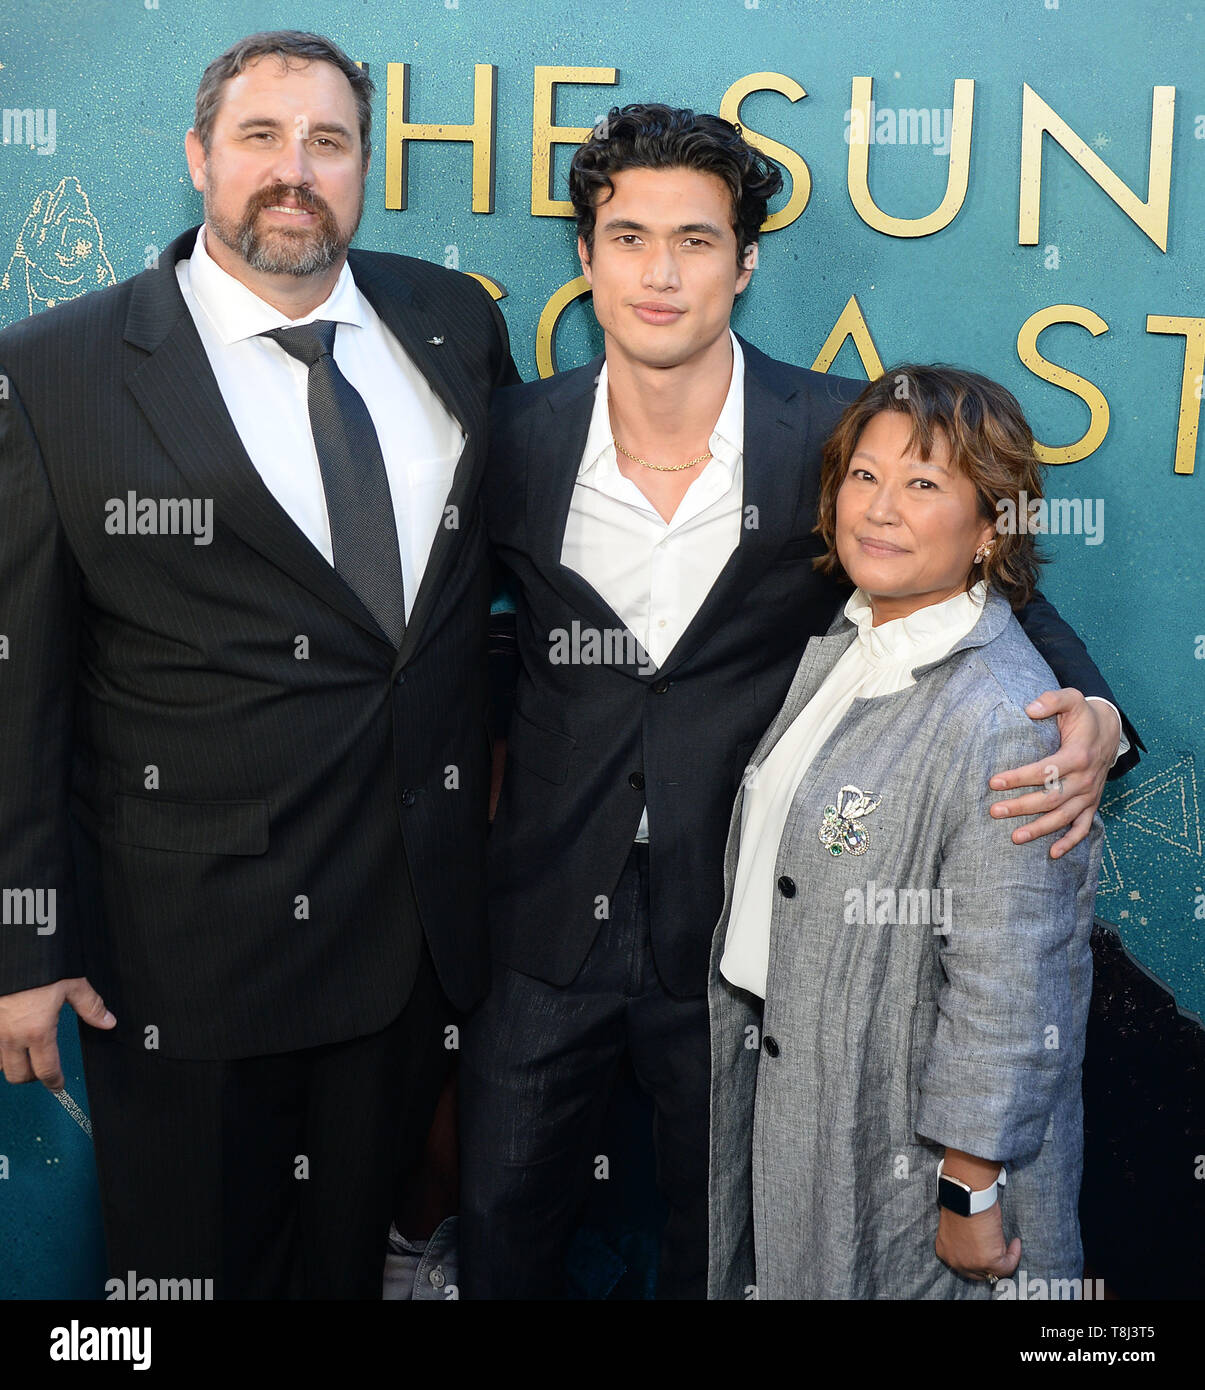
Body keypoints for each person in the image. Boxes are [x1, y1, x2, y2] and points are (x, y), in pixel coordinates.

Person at [460, 104, 1139, 1299]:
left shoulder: (835, 437)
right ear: (585, 256)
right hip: (542, 917)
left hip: (736, 926)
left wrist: (1093, 710)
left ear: (744, 261)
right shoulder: (514, 435)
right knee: (502, 1228)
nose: (659, 272)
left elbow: (994, 589)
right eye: (626, 237)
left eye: (695, 240)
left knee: (726, 1244)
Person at [0, 30, 516, 1298]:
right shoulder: (54, 371)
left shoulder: (451, 322)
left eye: (328, 142)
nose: (295, 171)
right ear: (198, 158)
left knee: (345, 1271)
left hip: (414, 945)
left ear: (365, 170)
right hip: (190, 959)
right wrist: (23, 939)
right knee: (187, 1277)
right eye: (261, 138)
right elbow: (20, 683)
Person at [709, 365, 1103, 1299]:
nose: (878, 509)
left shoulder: (1003, 715)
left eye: (923, 484)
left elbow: (1011, 984)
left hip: (904, 1144)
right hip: (805, 1090)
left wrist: (967, 1189)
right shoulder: (850, 643)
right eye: (863, 475)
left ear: (987, 529)